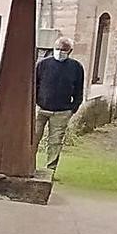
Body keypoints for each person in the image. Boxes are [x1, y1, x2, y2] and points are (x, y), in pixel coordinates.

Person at [35, 37, 85, 170]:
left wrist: (73, 109)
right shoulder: (43, 64)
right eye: (57, 49)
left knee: (55, 142)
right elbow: (34, 85)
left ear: (70, 51)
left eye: (63, 50)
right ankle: (28, 165)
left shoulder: (76, 67)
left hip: (62, 112)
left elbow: (79, 90)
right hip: (41, 109)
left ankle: (50, 169)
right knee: (33, 138)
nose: (60, 52)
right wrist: (35, 104)